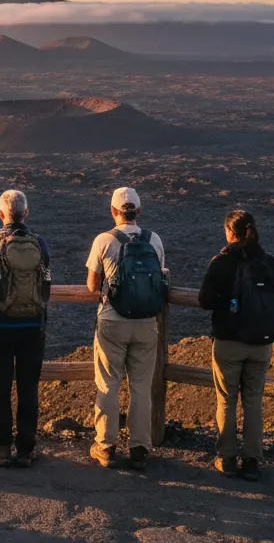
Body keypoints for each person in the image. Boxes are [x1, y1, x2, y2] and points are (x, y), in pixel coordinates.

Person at [198, 210, 274, 482]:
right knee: (253, 400)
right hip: (262, 343)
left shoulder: (223, 261)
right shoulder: (269, 262)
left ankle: (226, 458)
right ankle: (251, 461)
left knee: (227, 399)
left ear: (230, 232)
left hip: (229, 341)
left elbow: (205, 300)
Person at [85, 187, 167, 471]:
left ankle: (106, 446)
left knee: (108, 384)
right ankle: (140, 447)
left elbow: (92, 285)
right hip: (146, 323)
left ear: (113, 211)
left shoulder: (104, 241)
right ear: (139, 212)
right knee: (141, 386)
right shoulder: (154, 240)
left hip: (113, 320)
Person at [0, 189, 52, 468]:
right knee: (28, 388)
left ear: (1, 214)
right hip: (33, 327)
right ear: (25, 214)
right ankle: (26, 449)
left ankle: (3, 449)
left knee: (0, 386)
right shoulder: (40, 243)